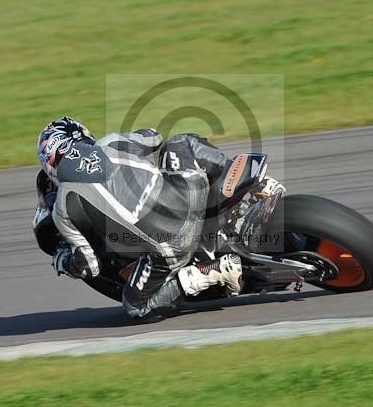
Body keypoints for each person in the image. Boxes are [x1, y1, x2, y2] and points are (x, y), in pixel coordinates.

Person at [33, 117, 283, 319]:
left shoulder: (63, 208)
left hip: (171, 247)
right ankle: (253, 186)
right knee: (180, 141)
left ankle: (209, 273)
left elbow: (90, 266)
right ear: (84, 138)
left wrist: (62, 261)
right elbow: (154, 136)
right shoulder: (111, 143)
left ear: (50, 164)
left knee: (136, 307)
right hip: (188, 196)